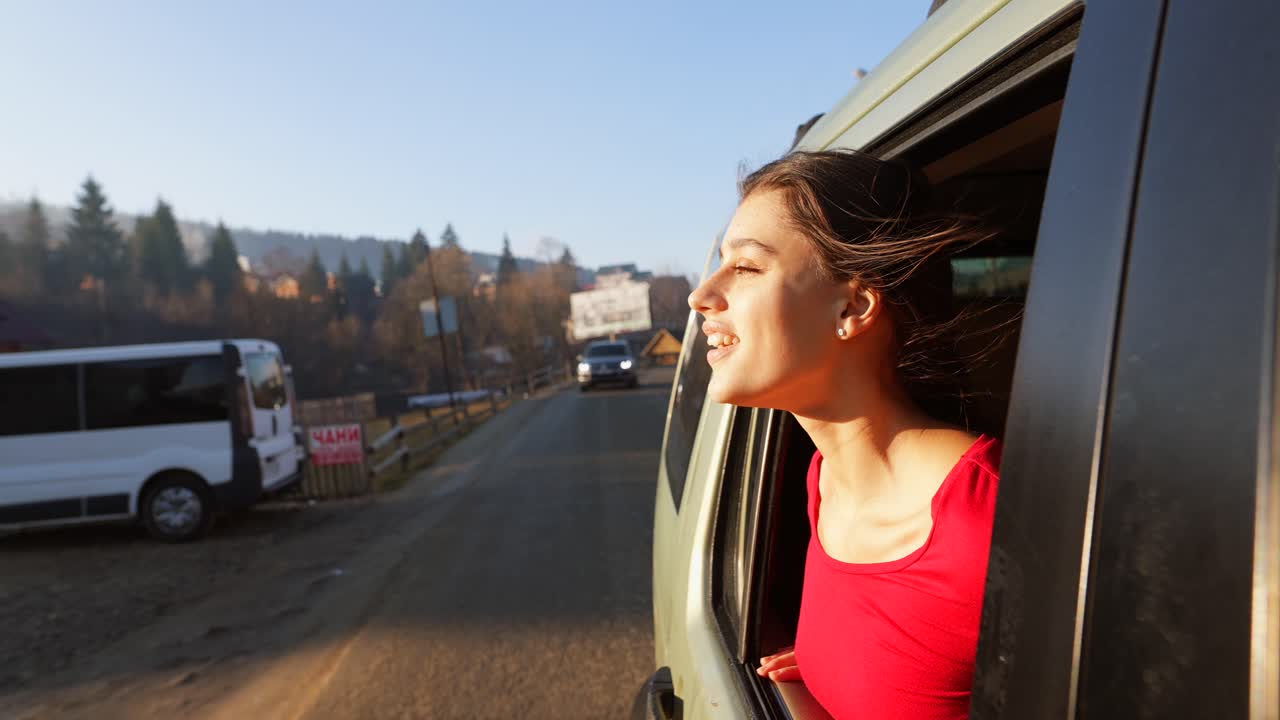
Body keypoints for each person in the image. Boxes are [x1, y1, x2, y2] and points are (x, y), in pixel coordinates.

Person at [687, 149, 1002, 719]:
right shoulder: (824, 484)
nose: (701, 296)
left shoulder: (988, 518)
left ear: (853, 306)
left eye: (748, 267)